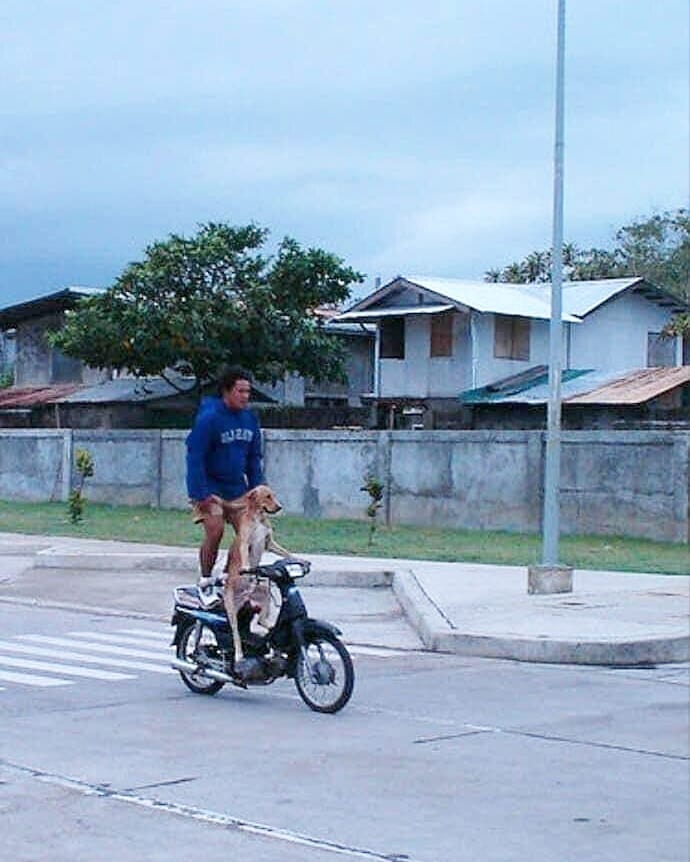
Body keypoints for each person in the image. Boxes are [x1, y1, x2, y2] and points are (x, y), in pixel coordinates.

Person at [186, 367, 263, 604]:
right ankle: (206, 580)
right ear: (226, 392)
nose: (245, 396)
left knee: (251, 534)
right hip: (210, 490)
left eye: (248, 392)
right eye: (240, 391)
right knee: (215, 529)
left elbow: (253, 458)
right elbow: (195, 456)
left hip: (237, 491)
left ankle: (229, 580)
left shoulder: (250, 420)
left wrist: (258, 489)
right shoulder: (210, 418)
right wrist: (200, 493)